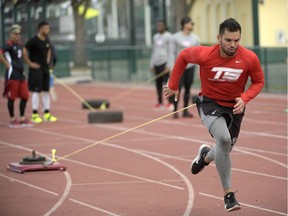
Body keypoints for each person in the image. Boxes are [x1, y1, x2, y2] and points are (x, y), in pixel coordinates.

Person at [164, 18, 264, 212]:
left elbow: (259, 81)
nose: (232, 45)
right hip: (209, 103)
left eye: (236, 40)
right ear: (219, 37)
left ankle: (205, 157)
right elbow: (184, 56)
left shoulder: (249, 58)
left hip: (234, 108)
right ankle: (228, 195)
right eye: (228, 40)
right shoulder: (205, 54)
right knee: (224, 140)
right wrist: (173, 85)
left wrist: (245, 98)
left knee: (223, 150)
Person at [23, 21, 57, 123]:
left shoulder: (47, 39)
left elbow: (49, 50)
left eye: (48, 28)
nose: (48, 30)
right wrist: (30, 63)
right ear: (41, 29)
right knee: (37, 92)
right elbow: (24, 50)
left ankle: (47, 113)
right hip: (36, 70)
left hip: (45, 69)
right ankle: (34, 114)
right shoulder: (33, 40)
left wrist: (48, 61)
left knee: (46, 91)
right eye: (46, 28)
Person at [0, 24, 33, 128]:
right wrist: (6, 64)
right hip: (12, 74)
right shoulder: (8, 45)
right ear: (11, 34)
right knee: (12, 97)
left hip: (21, 74)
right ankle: (12, 119)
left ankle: (22, 118)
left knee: (25, 96)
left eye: (18, 34)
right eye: (15, 34)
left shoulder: (20, 45)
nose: (17, 36)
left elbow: (23, 55)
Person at [169, 16, 200, 118]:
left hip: (190, 67)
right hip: (179, 68)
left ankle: (185, 111)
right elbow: (171, 53)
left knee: (188, 89)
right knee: (178, 89)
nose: (192, 25)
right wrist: (171, 66)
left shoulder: (195, 38)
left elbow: (199, 53)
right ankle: (175, 110)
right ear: (184, 24)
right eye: (191, 23)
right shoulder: (175, 37)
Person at [149, 20, 173, 110]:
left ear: (164, 26)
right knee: (158, 84)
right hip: (157, 63)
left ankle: (170, 102)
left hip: (165, 63)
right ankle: (160, 102)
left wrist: (169, 64)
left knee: (167, 84)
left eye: (161, 26)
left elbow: (171, 51)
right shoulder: (155, 37)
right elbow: (154, 50)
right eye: (158, 26)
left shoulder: (169, 37)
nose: (159, 27)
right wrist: (152, 63)